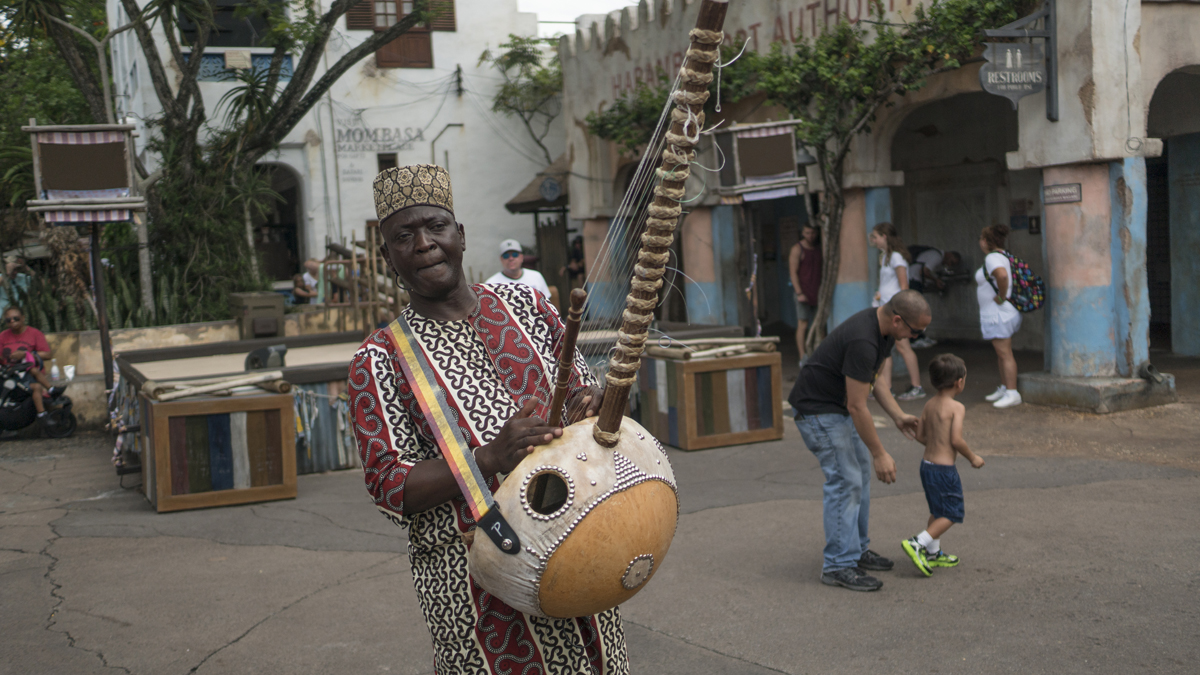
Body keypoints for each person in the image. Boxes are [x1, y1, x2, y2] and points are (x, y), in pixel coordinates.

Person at [350, 164, 628, 673]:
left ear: (460, 234)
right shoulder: (380, 359)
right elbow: (389, 485)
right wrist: (488, 458)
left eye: (435, 226)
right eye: (403, 236)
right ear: (388, 256)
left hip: (577, 552)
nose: (424, 244)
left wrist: (588, 403)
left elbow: (584, 392)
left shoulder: (529, 305)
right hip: (475, 586)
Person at [788, 289, 930, 591]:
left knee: (860, 474)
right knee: (845, 479)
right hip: (818, 411)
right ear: (897, 319)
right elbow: (857, 405)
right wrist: (879, 452)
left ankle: (856, 550)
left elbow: (873, 381)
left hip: (836, 407)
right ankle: (838, 564)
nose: (916, 337)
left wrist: (898, 415)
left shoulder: (886, 333)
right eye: (915, 331)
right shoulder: (863, 340)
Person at [901, 353, 985, 577]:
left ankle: (933, 553)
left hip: (927, 466)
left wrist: (937, 442)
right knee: (951, 513)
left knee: (937, 511)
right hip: (944, 470)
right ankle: (917, 542)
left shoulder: (929, 404)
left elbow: (920, 435)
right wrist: (972, 457)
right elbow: (956, 440)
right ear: (960, 382)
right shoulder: (956, 408)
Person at [869, 223, 924, 400]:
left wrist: (902, 312)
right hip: (885, 308)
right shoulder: (886, 256)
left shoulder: (897, 258)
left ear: (884, 236)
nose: (874, 240)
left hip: (896, 311)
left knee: (903, 346)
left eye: (876, 236)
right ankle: (887, 388)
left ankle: (917, 386)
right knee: (885, 350)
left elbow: (903, 287)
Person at [976, 223, 1022, 408]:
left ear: (986, 241)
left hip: (999, 314)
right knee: (1001, 353)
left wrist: (1001, 297)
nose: (980, 242)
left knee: (1005, 353)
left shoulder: (992, 258)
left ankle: (1012, 392)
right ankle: (1005, 387)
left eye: (981, 238)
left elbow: (1002, 277)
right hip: (998, 314)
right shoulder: (1002, 255)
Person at [0, 307, 59, 419]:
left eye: (15, 318)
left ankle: (43, 412)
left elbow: (47, 354)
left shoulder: (35, 333)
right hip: (10, 376)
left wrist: (26, 354)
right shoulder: (2, 336)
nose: (12, 321)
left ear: (23, 318)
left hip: (29, 375)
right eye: (8, 320)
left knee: (35, 385)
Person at [788, 223, 822, 367]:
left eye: (813, 233)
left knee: (818, 324)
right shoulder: (797, 249)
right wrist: (799, 292)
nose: (810, 236)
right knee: (803, 324)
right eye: (807, 233)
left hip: (818, 292)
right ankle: (803, 357)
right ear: (802, 233)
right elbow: (793, 272)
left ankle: (818, 353)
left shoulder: (819, 248)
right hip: (803, 292)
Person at [485, 239, 552, 298]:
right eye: (506, 256)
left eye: (515, 255)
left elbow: (546, 303)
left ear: (521, 257)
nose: (511, 258)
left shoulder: (536, 276)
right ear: (501, 259)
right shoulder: (491, 283)